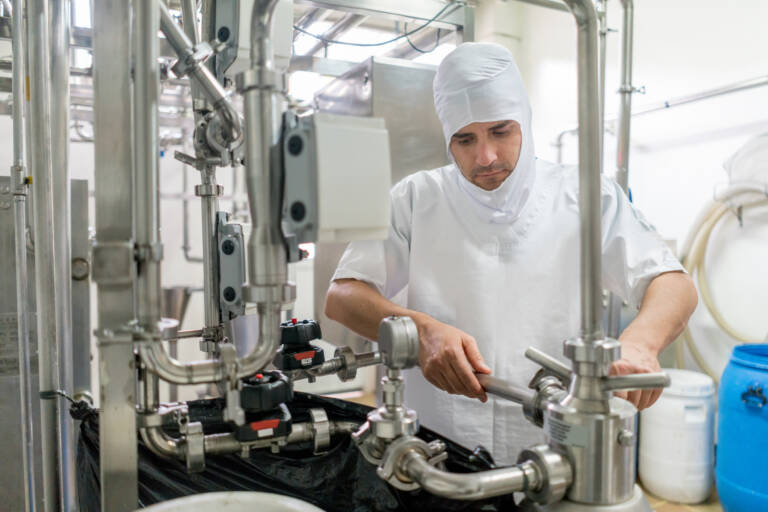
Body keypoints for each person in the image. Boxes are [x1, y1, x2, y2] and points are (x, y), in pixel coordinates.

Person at [324, 42, 698, 464]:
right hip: (438, 446)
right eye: (465, 139)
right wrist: (421, 331)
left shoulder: (586, 195)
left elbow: (674, 283)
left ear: (525, 121)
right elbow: (342, 297)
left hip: (555, 443)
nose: (485, 157)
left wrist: (641, 344)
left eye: (501, 131)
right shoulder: (416, 198)